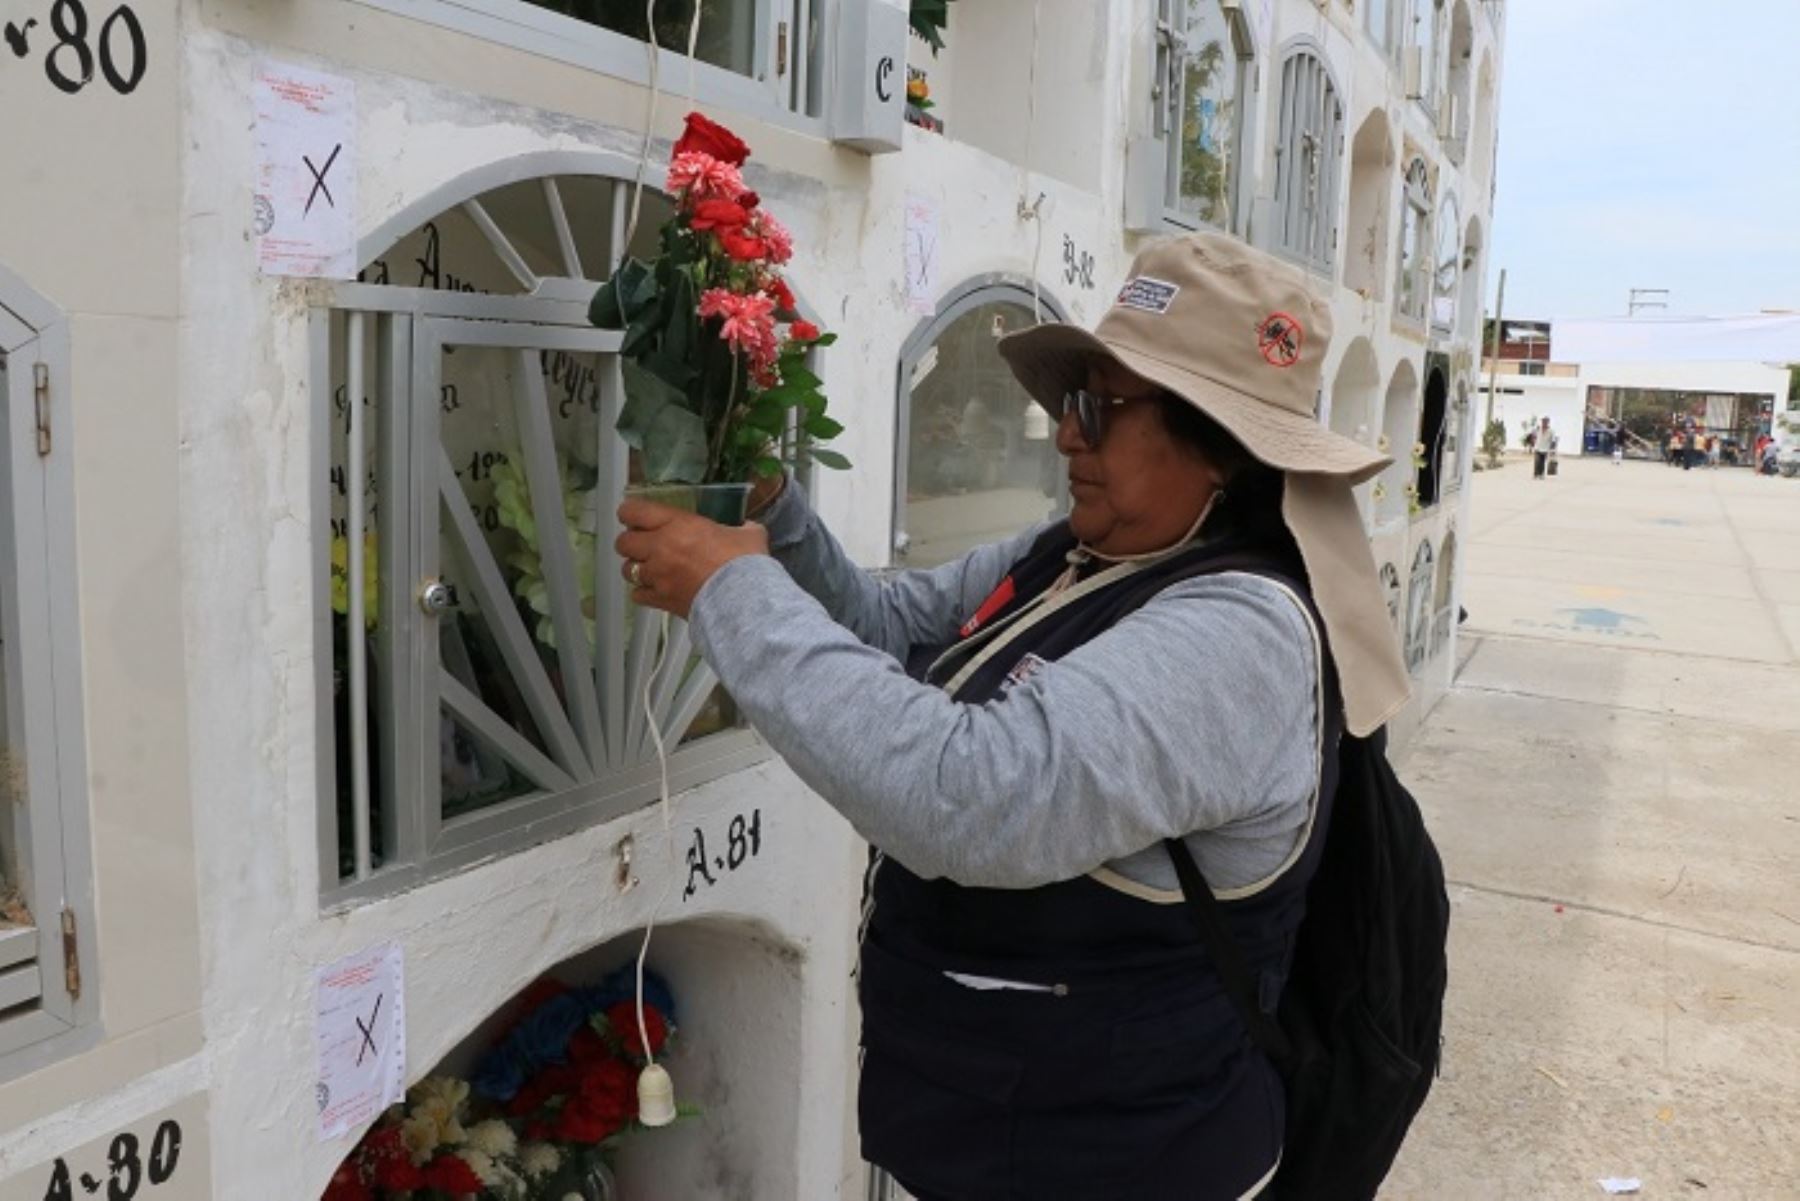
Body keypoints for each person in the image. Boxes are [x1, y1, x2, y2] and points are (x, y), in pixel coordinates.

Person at [615, 234, 1409, 1200]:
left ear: (1219, 447)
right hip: (994, 1138)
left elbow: (974, 797)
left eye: (1098, 407)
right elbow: (894, 632)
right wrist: (777, 525)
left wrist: (731, 591)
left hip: (1127, 1165)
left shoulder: (1243, 633)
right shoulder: (1081, 552)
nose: (1066, 434)